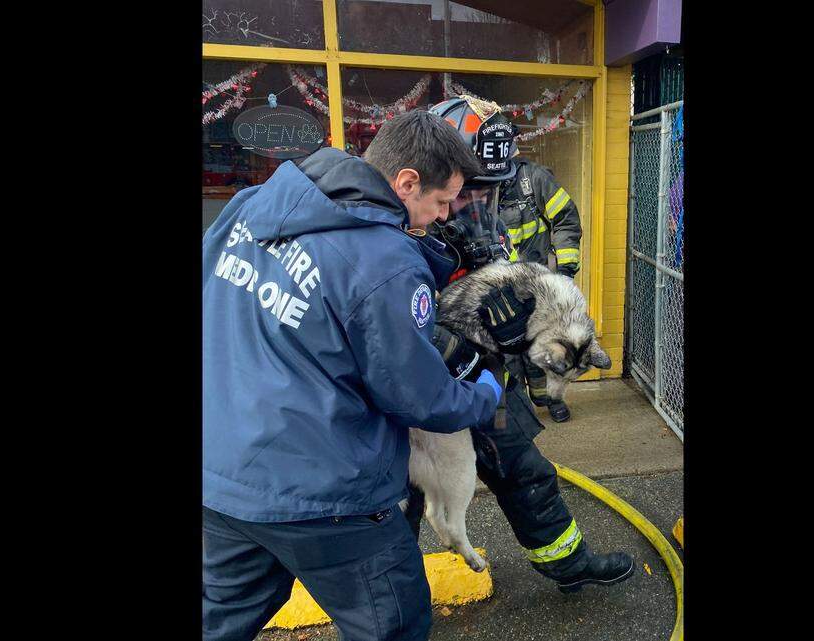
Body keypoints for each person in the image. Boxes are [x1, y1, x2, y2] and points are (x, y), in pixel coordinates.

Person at [202, 110, 521, 641]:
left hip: (223, 477)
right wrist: (487, 389)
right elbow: (422, 399)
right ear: (406, 182)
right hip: (324, 494)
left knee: (220, 621)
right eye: (441, 203)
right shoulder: (387, 261)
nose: (443, 219)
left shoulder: (250, 205)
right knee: (392, 622)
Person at [406, 96, 635, 595]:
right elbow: (398, 330)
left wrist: (517, 331)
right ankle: (396, 606)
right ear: (428, 180)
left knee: (525, 469)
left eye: (488, 194)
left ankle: (568, 564)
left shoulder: (487, 220)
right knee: (396, 502)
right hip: (417, 396)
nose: (474, 208)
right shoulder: (396, 235)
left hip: (485, 381)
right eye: (465, 196)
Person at [496, 139, 583, 423]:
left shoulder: (534, 179)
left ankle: (551, 399)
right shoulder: (478, 184)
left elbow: (566, 220)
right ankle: (514, 410)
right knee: (506, 356)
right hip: (500, 289)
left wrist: (566, 272)